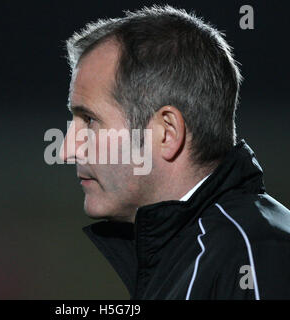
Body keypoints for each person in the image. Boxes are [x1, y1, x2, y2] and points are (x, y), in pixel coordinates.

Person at [61, 5, 290, 299]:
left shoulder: (254, 259)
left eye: (90, 120)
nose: (67, 149)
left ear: (167, 133)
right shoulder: (198, 254)